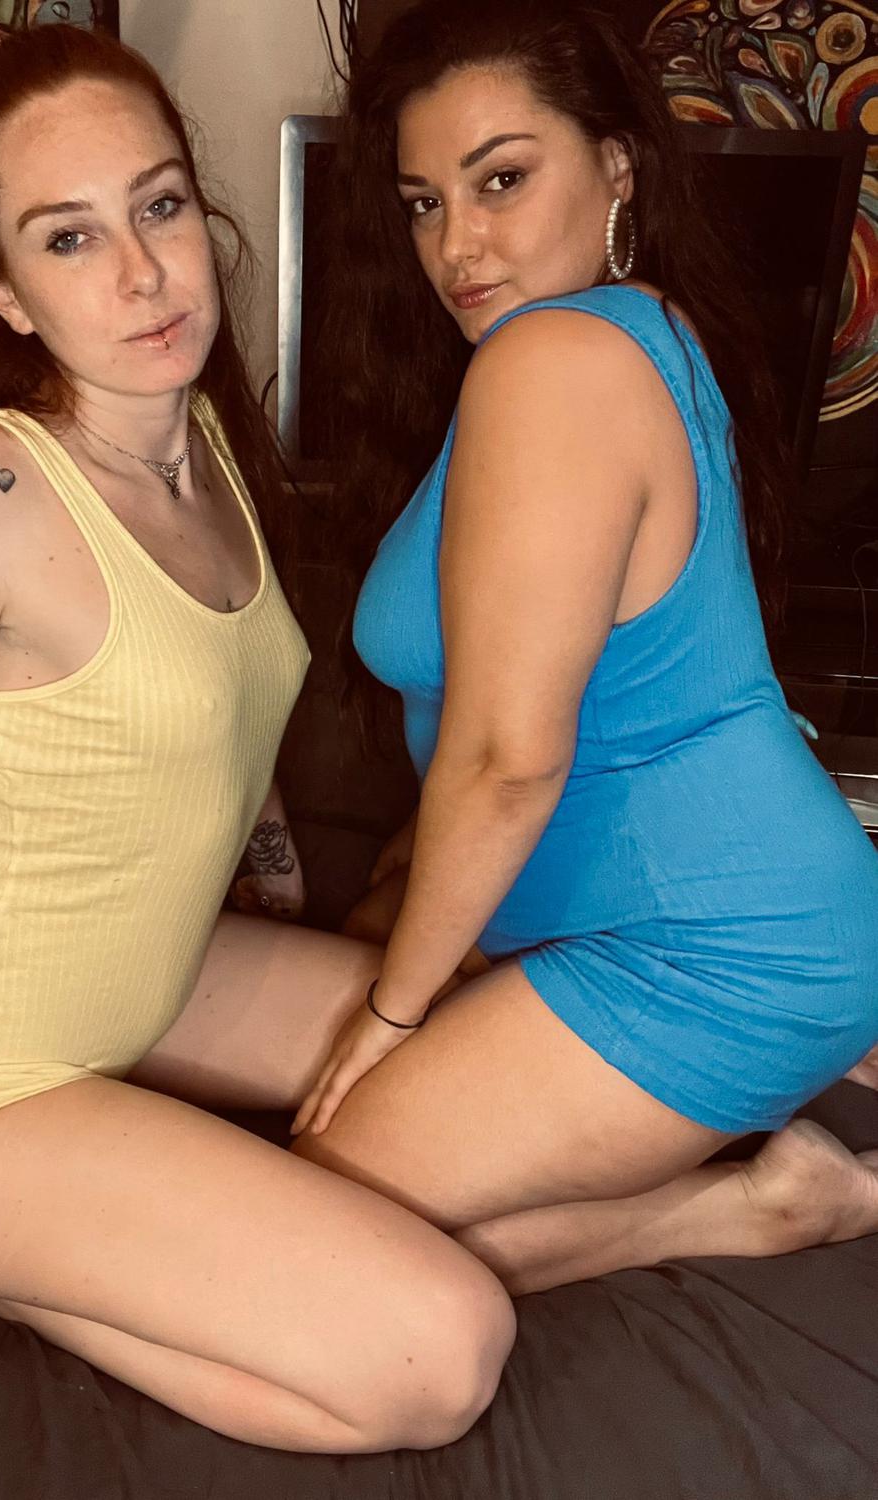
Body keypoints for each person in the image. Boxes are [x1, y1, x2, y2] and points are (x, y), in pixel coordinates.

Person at [0, 25, 513, 1455]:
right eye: (68, 237)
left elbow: (223, 714)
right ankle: (26, 1263)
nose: (143, 274)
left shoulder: (208, 444)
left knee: (498, 1068)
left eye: (158, 206)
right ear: (3, 290)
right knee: (443, 1352)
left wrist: (276, 880)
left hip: (155, 979)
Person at [282, 0, 878, 1289]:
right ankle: (778, 1179)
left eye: (501, 179)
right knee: (344, 1220)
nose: (458, 244)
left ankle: (759, 1208)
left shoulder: (554, 361)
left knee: (323, 1239)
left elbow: (510, 758)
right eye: (425, 202)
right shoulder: (627, 332)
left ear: (617, 164)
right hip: (650, 921)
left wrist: (391, 1016)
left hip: (721, 953)